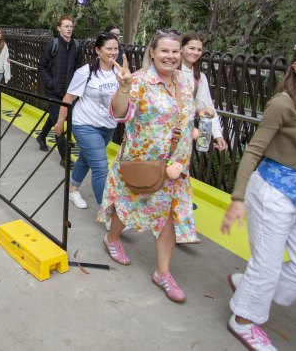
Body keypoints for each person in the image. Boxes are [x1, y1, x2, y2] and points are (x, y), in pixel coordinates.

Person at [220, 41, 296, 351]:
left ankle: (249, 286)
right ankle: (244, 319)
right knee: (267, 265)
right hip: (271, 191)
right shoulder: (282, 104)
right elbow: (254, 150)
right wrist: (237, 198)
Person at [98, 30, 196, 303]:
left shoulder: (184, 83)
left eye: (175, 51)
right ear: (152, 52)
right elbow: (118, 112)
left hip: (175, 165)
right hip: (142, 163)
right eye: (164, 50)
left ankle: (163, 273)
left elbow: (184, 118)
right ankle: (112, 238)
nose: (171, 56)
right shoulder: (140, 80)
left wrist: (190, 133)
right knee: (127, 205)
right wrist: (124, 87)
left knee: (168, 218)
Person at [53, 33, 133, 210]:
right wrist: (60, 122)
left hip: (108, 126)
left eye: (115, 48)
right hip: (85, 125)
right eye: (108, 48)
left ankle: (72, 189)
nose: (113, 52)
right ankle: (108, 212)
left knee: (85, 159)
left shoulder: (119, 73)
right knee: (100, 168)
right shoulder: (86, 72)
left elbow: (126, 101)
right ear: (98, 50)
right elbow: (67, 98)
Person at [37, 16, 83, 166]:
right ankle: (65, 157)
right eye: (66, 26)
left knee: (56, 117)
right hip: (54, 91)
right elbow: (41, 67)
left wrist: (76, 88)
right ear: (59, 28)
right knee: (60, 121)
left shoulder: (77, 46)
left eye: (71, 26)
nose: (69, 29)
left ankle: (41, 136)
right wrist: (51, 82)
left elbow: (79, 69)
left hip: (69, 93)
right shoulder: (53, 45)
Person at [180, 33, 228, 151]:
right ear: (181, 48)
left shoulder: (199, 78)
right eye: (192, 48)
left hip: (184, 134)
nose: (195, 52)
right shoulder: (168, 72)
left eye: (199, 49)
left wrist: (217, 134)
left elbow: (207, 106)